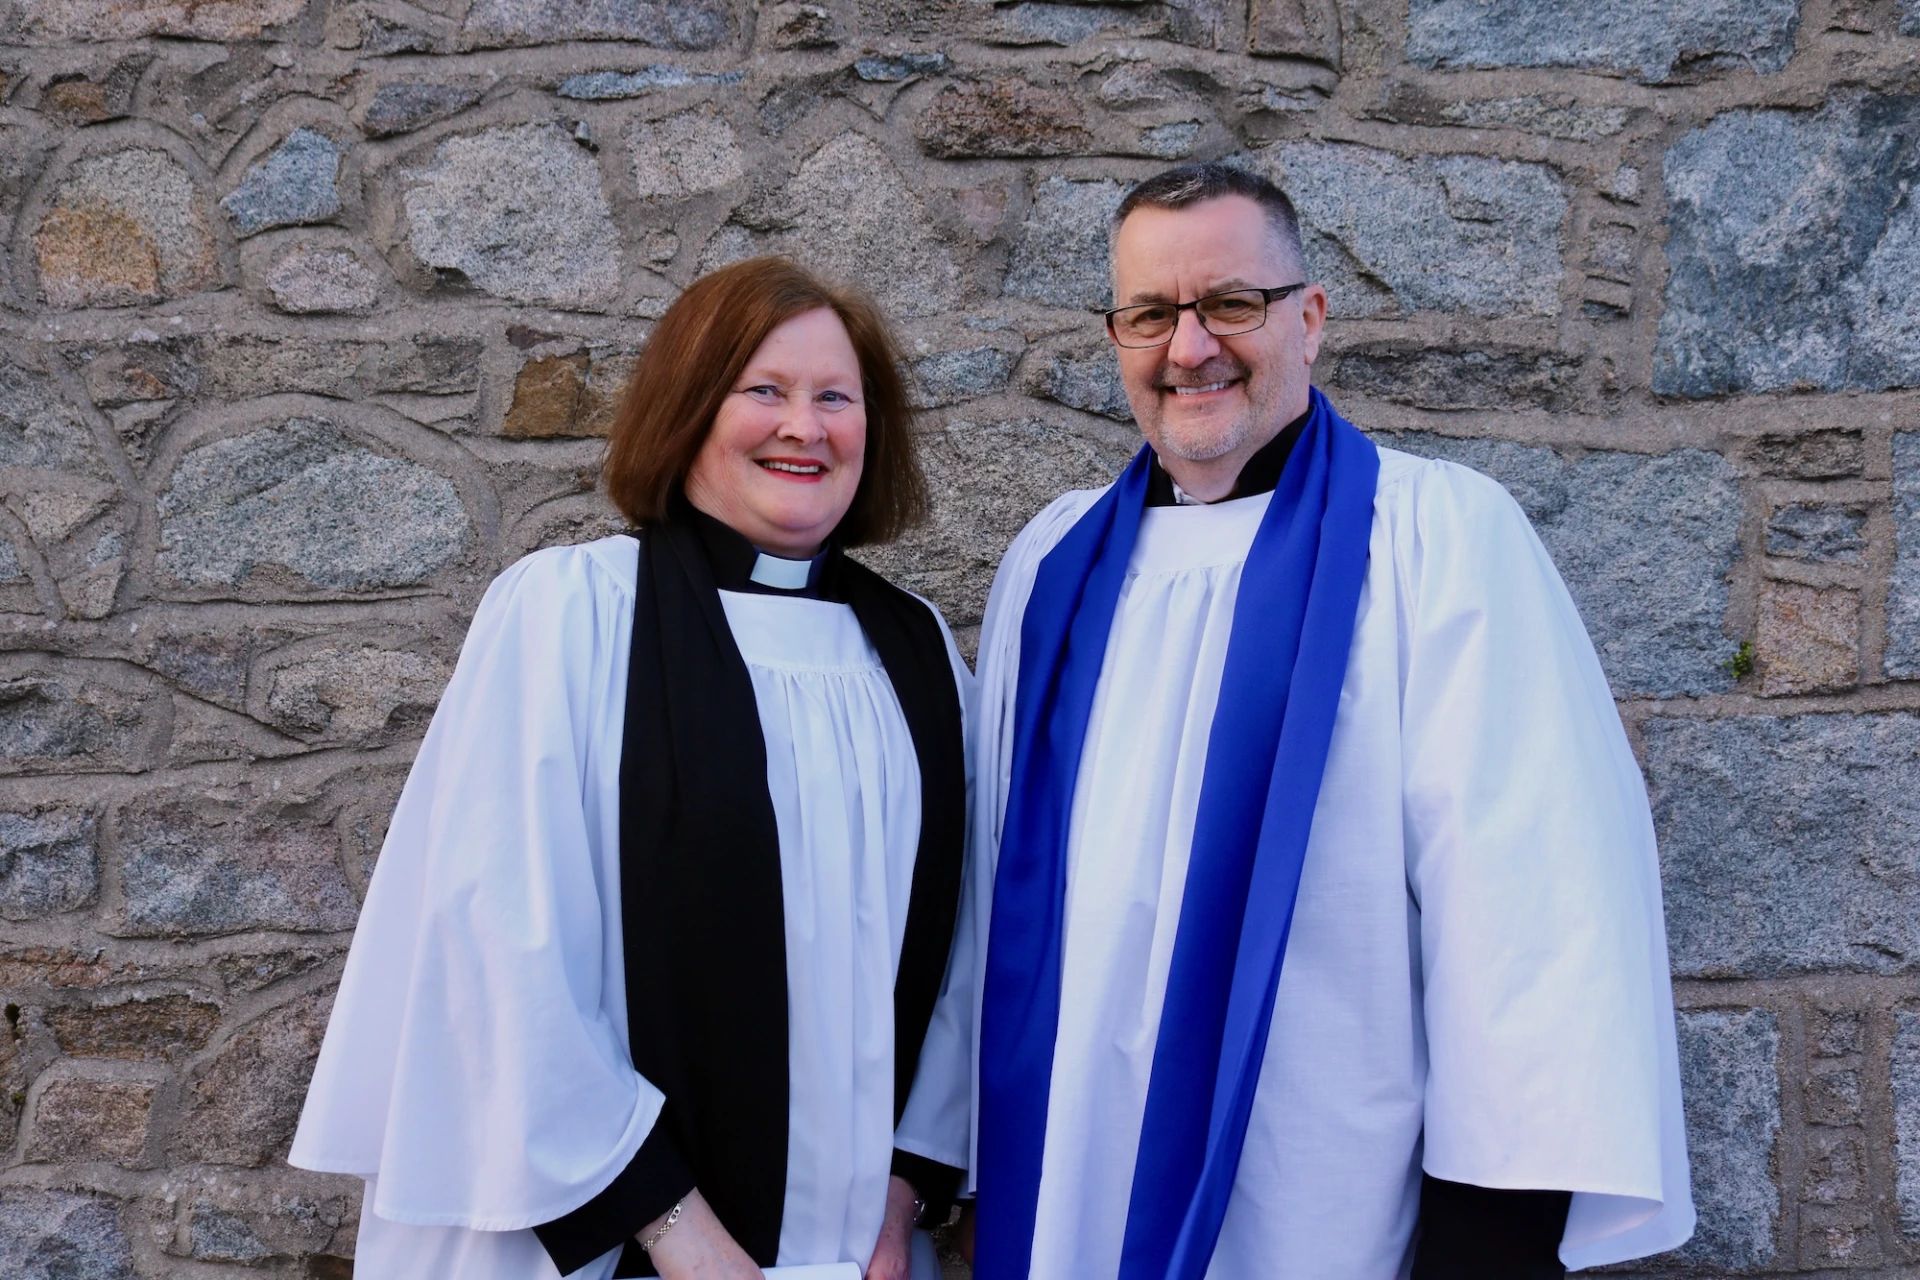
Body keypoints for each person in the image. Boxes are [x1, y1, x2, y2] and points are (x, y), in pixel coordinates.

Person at [913, 163, 1695, 1278]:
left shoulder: (1438, 542)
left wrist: (1488, 1245)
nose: (1189, 348)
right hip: (1068, 1195)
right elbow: (992, 914)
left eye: (1231, 303)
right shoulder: (1053, 564)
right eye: (1149, 314)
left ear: (1310, 317)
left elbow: (1534, 924)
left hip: (1327, 1205)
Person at [290, 258, 974, 1280]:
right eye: (765, 391)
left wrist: (900, 1195)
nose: (807, 425)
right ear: (690, 410)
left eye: (837, 396)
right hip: (617, 1236)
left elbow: (965, 937)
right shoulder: (577, 611)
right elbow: (496, 930)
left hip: (855, 1248)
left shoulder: (913, 649)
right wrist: (674, 1229)